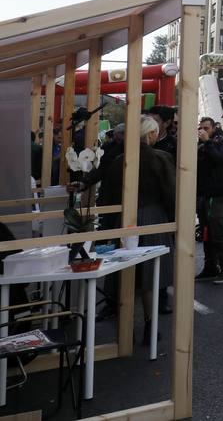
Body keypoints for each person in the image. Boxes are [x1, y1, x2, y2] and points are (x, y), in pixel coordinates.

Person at [81, 116, 175, 344]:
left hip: (123, 220)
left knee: (125, 272)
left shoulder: (119, 160)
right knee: (151, 275)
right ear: (151, 134)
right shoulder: (161, 158)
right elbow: (171, 194)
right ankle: (150, 325)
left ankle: (125, 329)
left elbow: (109, 195)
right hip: (154, 218)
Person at [196, 117, 223, 284]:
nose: (203, 131)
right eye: (201, 128)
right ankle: (210, 266)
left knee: (218, 229)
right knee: (206, 231)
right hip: (204, 194)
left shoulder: (222, 141)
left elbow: (221, 160)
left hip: (218, 194)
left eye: (206, 127)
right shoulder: (200, 144)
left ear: (213, 128)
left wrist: (207, 143)